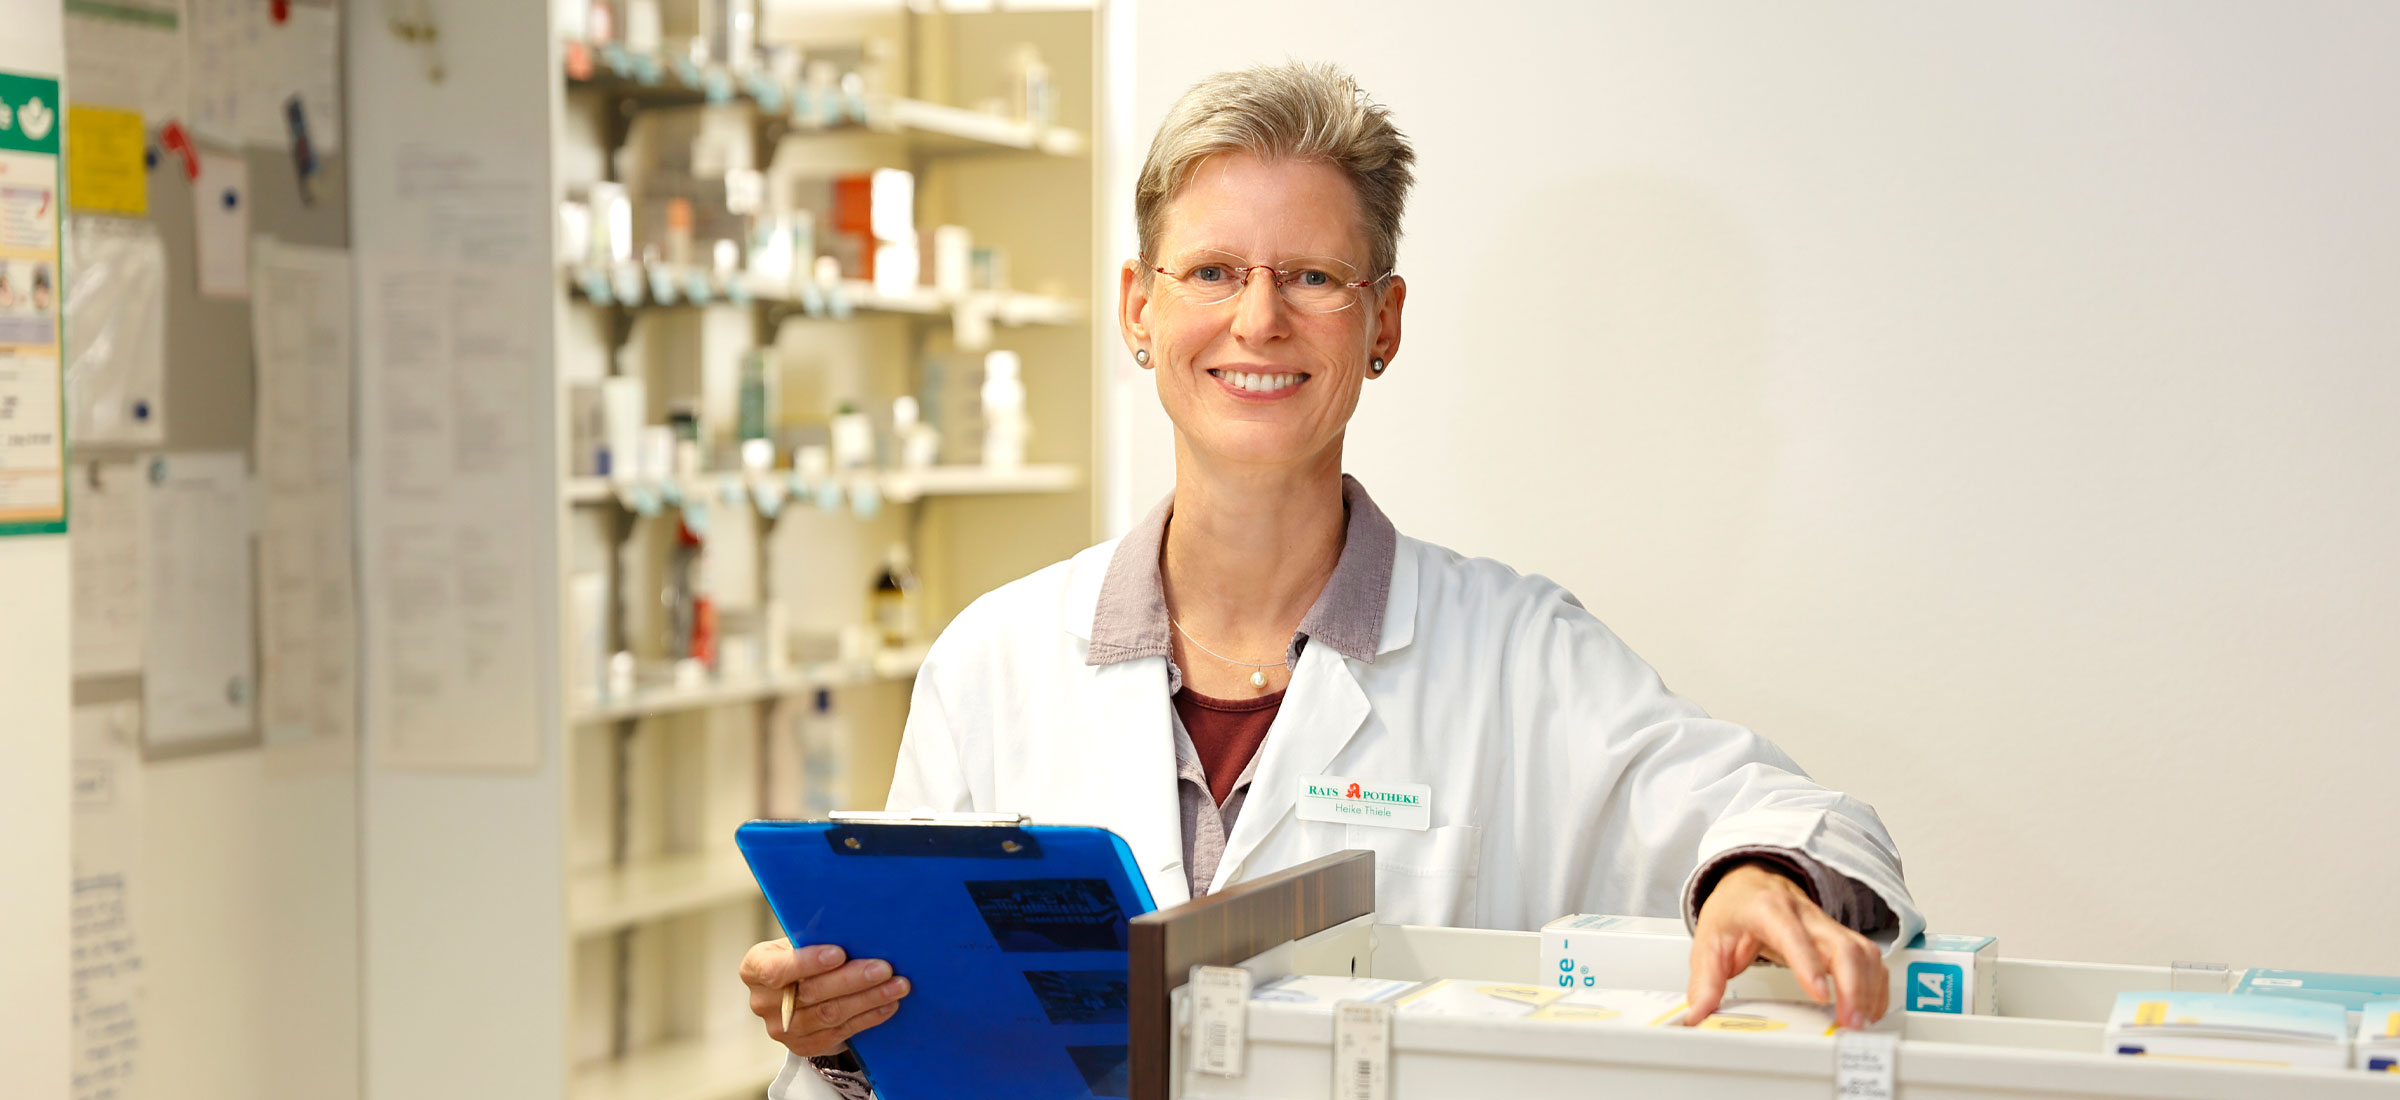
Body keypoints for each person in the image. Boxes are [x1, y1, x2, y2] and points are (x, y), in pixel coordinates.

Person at [742, 61, 1921, 1099]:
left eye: (1312, 275)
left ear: (1383, 325)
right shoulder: (993, 659)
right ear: (1138, 309)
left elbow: (1802, 818)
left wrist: (1761, 877)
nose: (1258, 319)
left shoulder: (1515, 653)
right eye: (1210, 270)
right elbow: (913, 1041)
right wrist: (841, 1032)